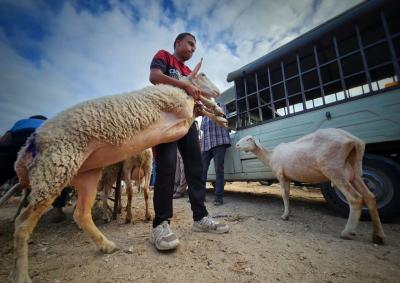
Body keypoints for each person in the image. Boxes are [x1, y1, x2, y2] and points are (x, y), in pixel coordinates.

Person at [149, 32, 229, 251]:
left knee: (195, 168)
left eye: (195, 47)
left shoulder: (189, 72)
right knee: (166, 167)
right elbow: (155, 77)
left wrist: (198, 109)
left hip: (187, 124)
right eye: (190, 44)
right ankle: (160, 224)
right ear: (178, 43)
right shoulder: (164, 56)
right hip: (166, 121)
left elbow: (191, 102)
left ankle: (200, 218)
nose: (193, 49)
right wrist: (185, 86)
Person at [0, 115, 68, 222]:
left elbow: (5, 138)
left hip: (18, 140)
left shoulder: (21, 122)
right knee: (61, 175)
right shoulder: (52, 124)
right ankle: (57, 209)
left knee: (4, 169)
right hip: (44, 140)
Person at [200, 103, 231, 205]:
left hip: (219, 141)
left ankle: (218, 197)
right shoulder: (203, 114)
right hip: (206, 144)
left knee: (219, 169)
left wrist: (205, 109)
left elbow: (222, 117)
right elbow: (203, 130)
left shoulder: (220, 105)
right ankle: (200, 197)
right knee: (202, 170)